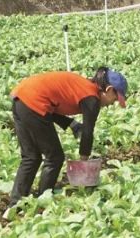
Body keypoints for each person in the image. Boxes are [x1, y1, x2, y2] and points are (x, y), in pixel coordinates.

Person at [8, 67, 128, 207]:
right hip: (33, 101)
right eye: (114, 99)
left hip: (21, 98)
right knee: (55, 157)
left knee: (31, 156)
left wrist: (71, 124)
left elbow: (50, 108)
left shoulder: (84, 86)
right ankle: (44, 199)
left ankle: (15, 204)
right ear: (109, 89)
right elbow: (88, 131)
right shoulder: (92, 98)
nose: (111, 104)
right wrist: (84, 161)